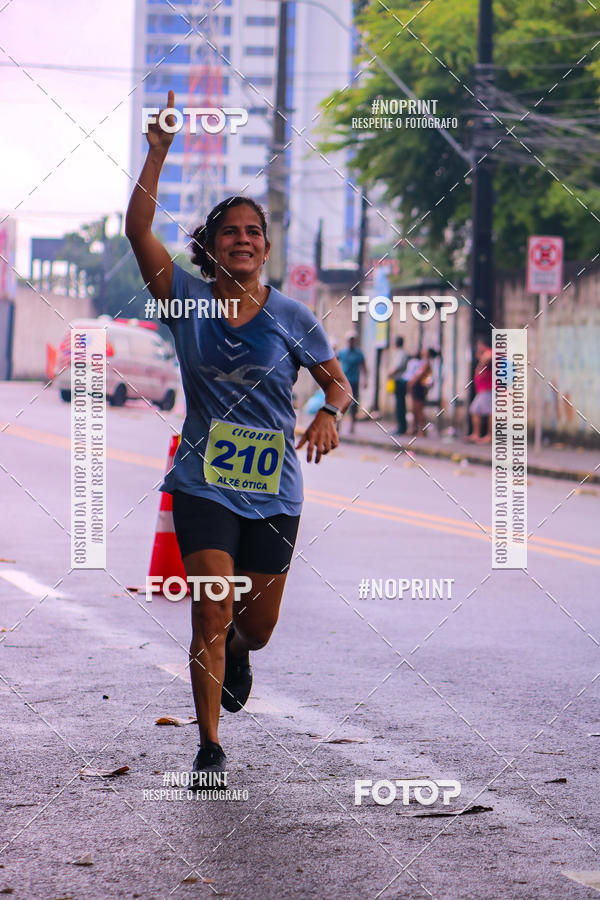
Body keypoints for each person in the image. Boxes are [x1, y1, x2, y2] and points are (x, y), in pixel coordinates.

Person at [125, 91, 352, 776]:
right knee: (211, 612)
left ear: (267, 247)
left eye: (254, 231)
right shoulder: (185, 300)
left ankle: (244, 654)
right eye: (231, 231)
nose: (244, 239)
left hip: (274, 492)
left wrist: (327, 411)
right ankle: (210, 745)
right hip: (203, 484)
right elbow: (139, 232)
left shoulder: (292, 315)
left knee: (252, 626)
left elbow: (337, 381)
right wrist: (157, 153)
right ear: (210, 247)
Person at [337, 331, 367, 434]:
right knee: (341, 404)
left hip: (354, 382)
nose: (351, 342)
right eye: (350, 340)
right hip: (344, 381)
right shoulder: (342, 353)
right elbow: (334, 362)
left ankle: (352, 426)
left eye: (353, 340)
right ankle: (338, 424)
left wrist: (365, 380)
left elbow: (364, 367)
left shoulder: (359, 353)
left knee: (354, 405)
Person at [407, 347, 438, 437]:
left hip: (419, 387)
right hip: (417, 387)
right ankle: (415, 429)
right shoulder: (422, 362)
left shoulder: (426, 363)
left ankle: (422, 430)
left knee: (419, 409)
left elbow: (418, 375)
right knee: (415, 409)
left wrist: (411, 383)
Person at [468, 338, 493, 443]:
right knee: (480, 410)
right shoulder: (485, 353)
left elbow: (486, 361)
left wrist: (480, 356)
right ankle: (478, 434)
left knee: (482, 411)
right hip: (484, 389)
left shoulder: (489, 352)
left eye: (479, 345)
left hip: (488, 388)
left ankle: (488, 435)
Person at [388, 335, 409, 434]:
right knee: (398, 404)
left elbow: (397, 367)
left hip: (400, 380)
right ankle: (400, 426)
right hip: (397, 380)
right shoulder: (398, 353)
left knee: (400, 405)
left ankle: (402, 427)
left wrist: (390, 373)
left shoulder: (401, 354)